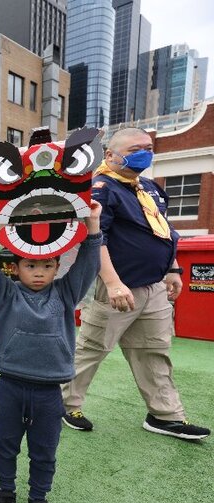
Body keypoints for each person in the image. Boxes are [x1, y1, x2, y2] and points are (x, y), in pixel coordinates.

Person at [61, 128, 210, 440]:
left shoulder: (150, 189)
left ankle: (164, 415)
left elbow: (163, 231)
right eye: (135, 147)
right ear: (111, 155)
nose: (145, 152)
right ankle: (65, 404)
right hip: (116, 287)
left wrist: (173, 269)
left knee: (154, 351)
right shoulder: (101, 189)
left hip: (154, 286)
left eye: (148, 147)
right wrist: (113, 283)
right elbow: (95, 238)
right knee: (90, 349)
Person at [0, 203, 102, 503]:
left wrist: (93, 226)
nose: (38, 272)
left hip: (49, 392)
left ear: (56, 266)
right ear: (16, 268)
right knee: (6, 444)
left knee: (44, 451)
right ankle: (5, 491)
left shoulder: (65, 292)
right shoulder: (6, 294)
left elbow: (89, 266)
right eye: (30, 265)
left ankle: (38, 500)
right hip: (11, 386)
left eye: (46, 265)